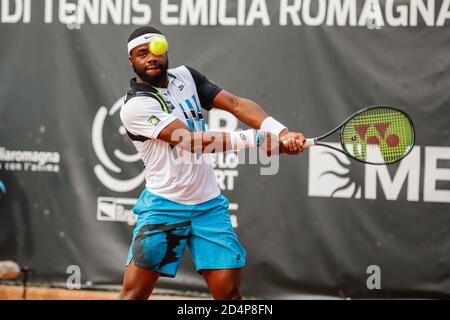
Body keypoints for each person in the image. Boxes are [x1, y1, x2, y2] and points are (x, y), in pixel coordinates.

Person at [118, 26, 305, 300]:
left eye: (154, 51)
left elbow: (236, 104)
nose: (150, 58)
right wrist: (255, 139)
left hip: (208, 206)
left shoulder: (186, 77)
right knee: (134, 296)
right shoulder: (135, 107)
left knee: (229, 295)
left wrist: (281, 132)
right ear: (131, 61)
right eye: (141, 54)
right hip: (164, 207)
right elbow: (190, 141)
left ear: (165, 51)